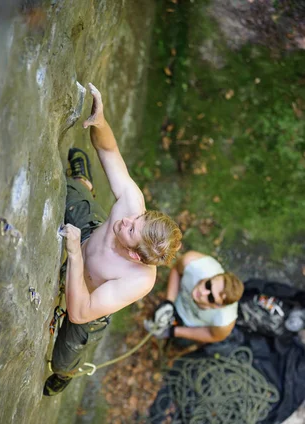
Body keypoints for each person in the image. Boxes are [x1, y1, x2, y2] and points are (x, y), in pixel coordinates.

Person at [44, 83, 182, 396]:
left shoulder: (138, 281)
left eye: (132, 229)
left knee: (63, 362)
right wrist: (101, 122)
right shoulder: (133, 205)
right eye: (139, 218)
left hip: (87, 298)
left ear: (136, 256)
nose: (127, 219)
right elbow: (108, 150)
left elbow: (79, 312)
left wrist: (75, 258)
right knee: (67, 189)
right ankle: (83, 181)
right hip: (90, 231)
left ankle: (65, 375)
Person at [147, 251, 244, 344]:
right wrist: (169, 302)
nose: (202, 292)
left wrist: (174, 332)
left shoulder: (224, 321)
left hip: (190, 326)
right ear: (212, 276)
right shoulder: (192, 263)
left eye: (210, 298)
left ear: (217, 306)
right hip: (178, 299)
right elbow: (176, 269)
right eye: (208, 284)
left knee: (180, 342)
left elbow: (213, 335)